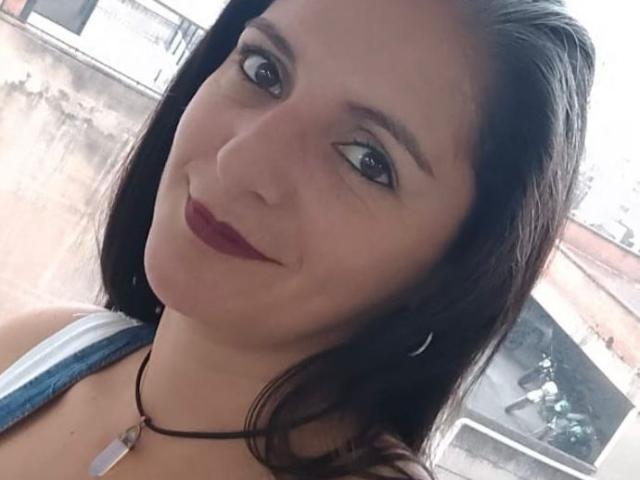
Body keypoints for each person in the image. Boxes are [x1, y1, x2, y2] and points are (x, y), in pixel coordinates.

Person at [0, 0, 595, 478]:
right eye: (264, 70)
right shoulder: (44, 348)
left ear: (455, 270)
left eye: (367, 160)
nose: (239, 162)